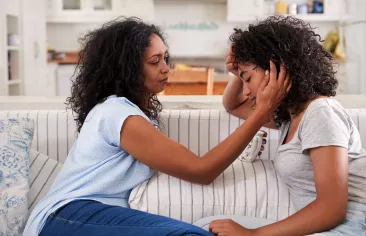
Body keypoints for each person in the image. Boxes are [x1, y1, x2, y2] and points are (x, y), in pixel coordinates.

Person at [23, 17, 290, 236]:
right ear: (126, 68)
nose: (166, 68)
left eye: (165, 58)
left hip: (89, 217)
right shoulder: (116, 114)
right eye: (155, 62)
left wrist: (236, 75)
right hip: (67, 217)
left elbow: (232, 106)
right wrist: (261, 112)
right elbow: (202, 170)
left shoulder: (130, 112)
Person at [210, 16, 366, 236]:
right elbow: (232, 105)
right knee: (208, 226)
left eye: (248, 79)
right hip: (336, 227)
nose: (246, 90)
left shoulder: (320, 112)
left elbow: (332, 209)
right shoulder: (291, 118)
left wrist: (254, 234)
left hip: (359, 225)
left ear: (277, 68)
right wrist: (238, 73)